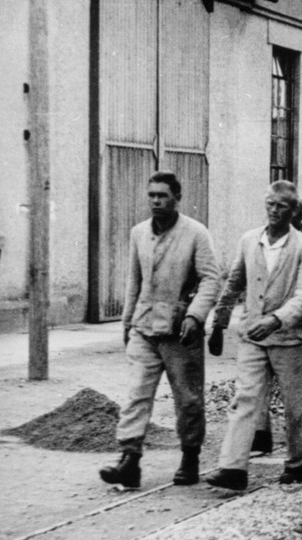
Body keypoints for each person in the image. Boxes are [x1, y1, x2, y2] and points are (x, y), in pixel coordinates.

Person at [101, 171, 221, 489]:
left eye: (163, 195)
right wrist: (127, 323)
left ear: (177, 198)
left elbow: (212, 278)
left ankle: (190, 457)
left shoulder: (196, 234)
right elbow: (134, 281)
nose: (156, 201)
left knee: (188, 399)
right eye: (152, 195)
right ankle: (129, 460)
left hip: (180, 331)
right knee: (136, 395)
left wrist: (195, 317)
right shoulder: (139, 233)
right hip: (144, 327)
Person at [201, 181, 302, 491]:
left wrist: (276, 320)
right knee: (245, 399)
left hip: (291, 339)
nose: (275, 210)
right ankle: (234, 467)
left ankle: (297, 461)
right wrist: (219, 324)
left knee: (295, 405)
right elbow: (234, 283)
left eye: (282, 205)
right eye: (270, 203)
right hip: (252, 335)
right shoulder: (250, 241)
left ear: (294, 211)